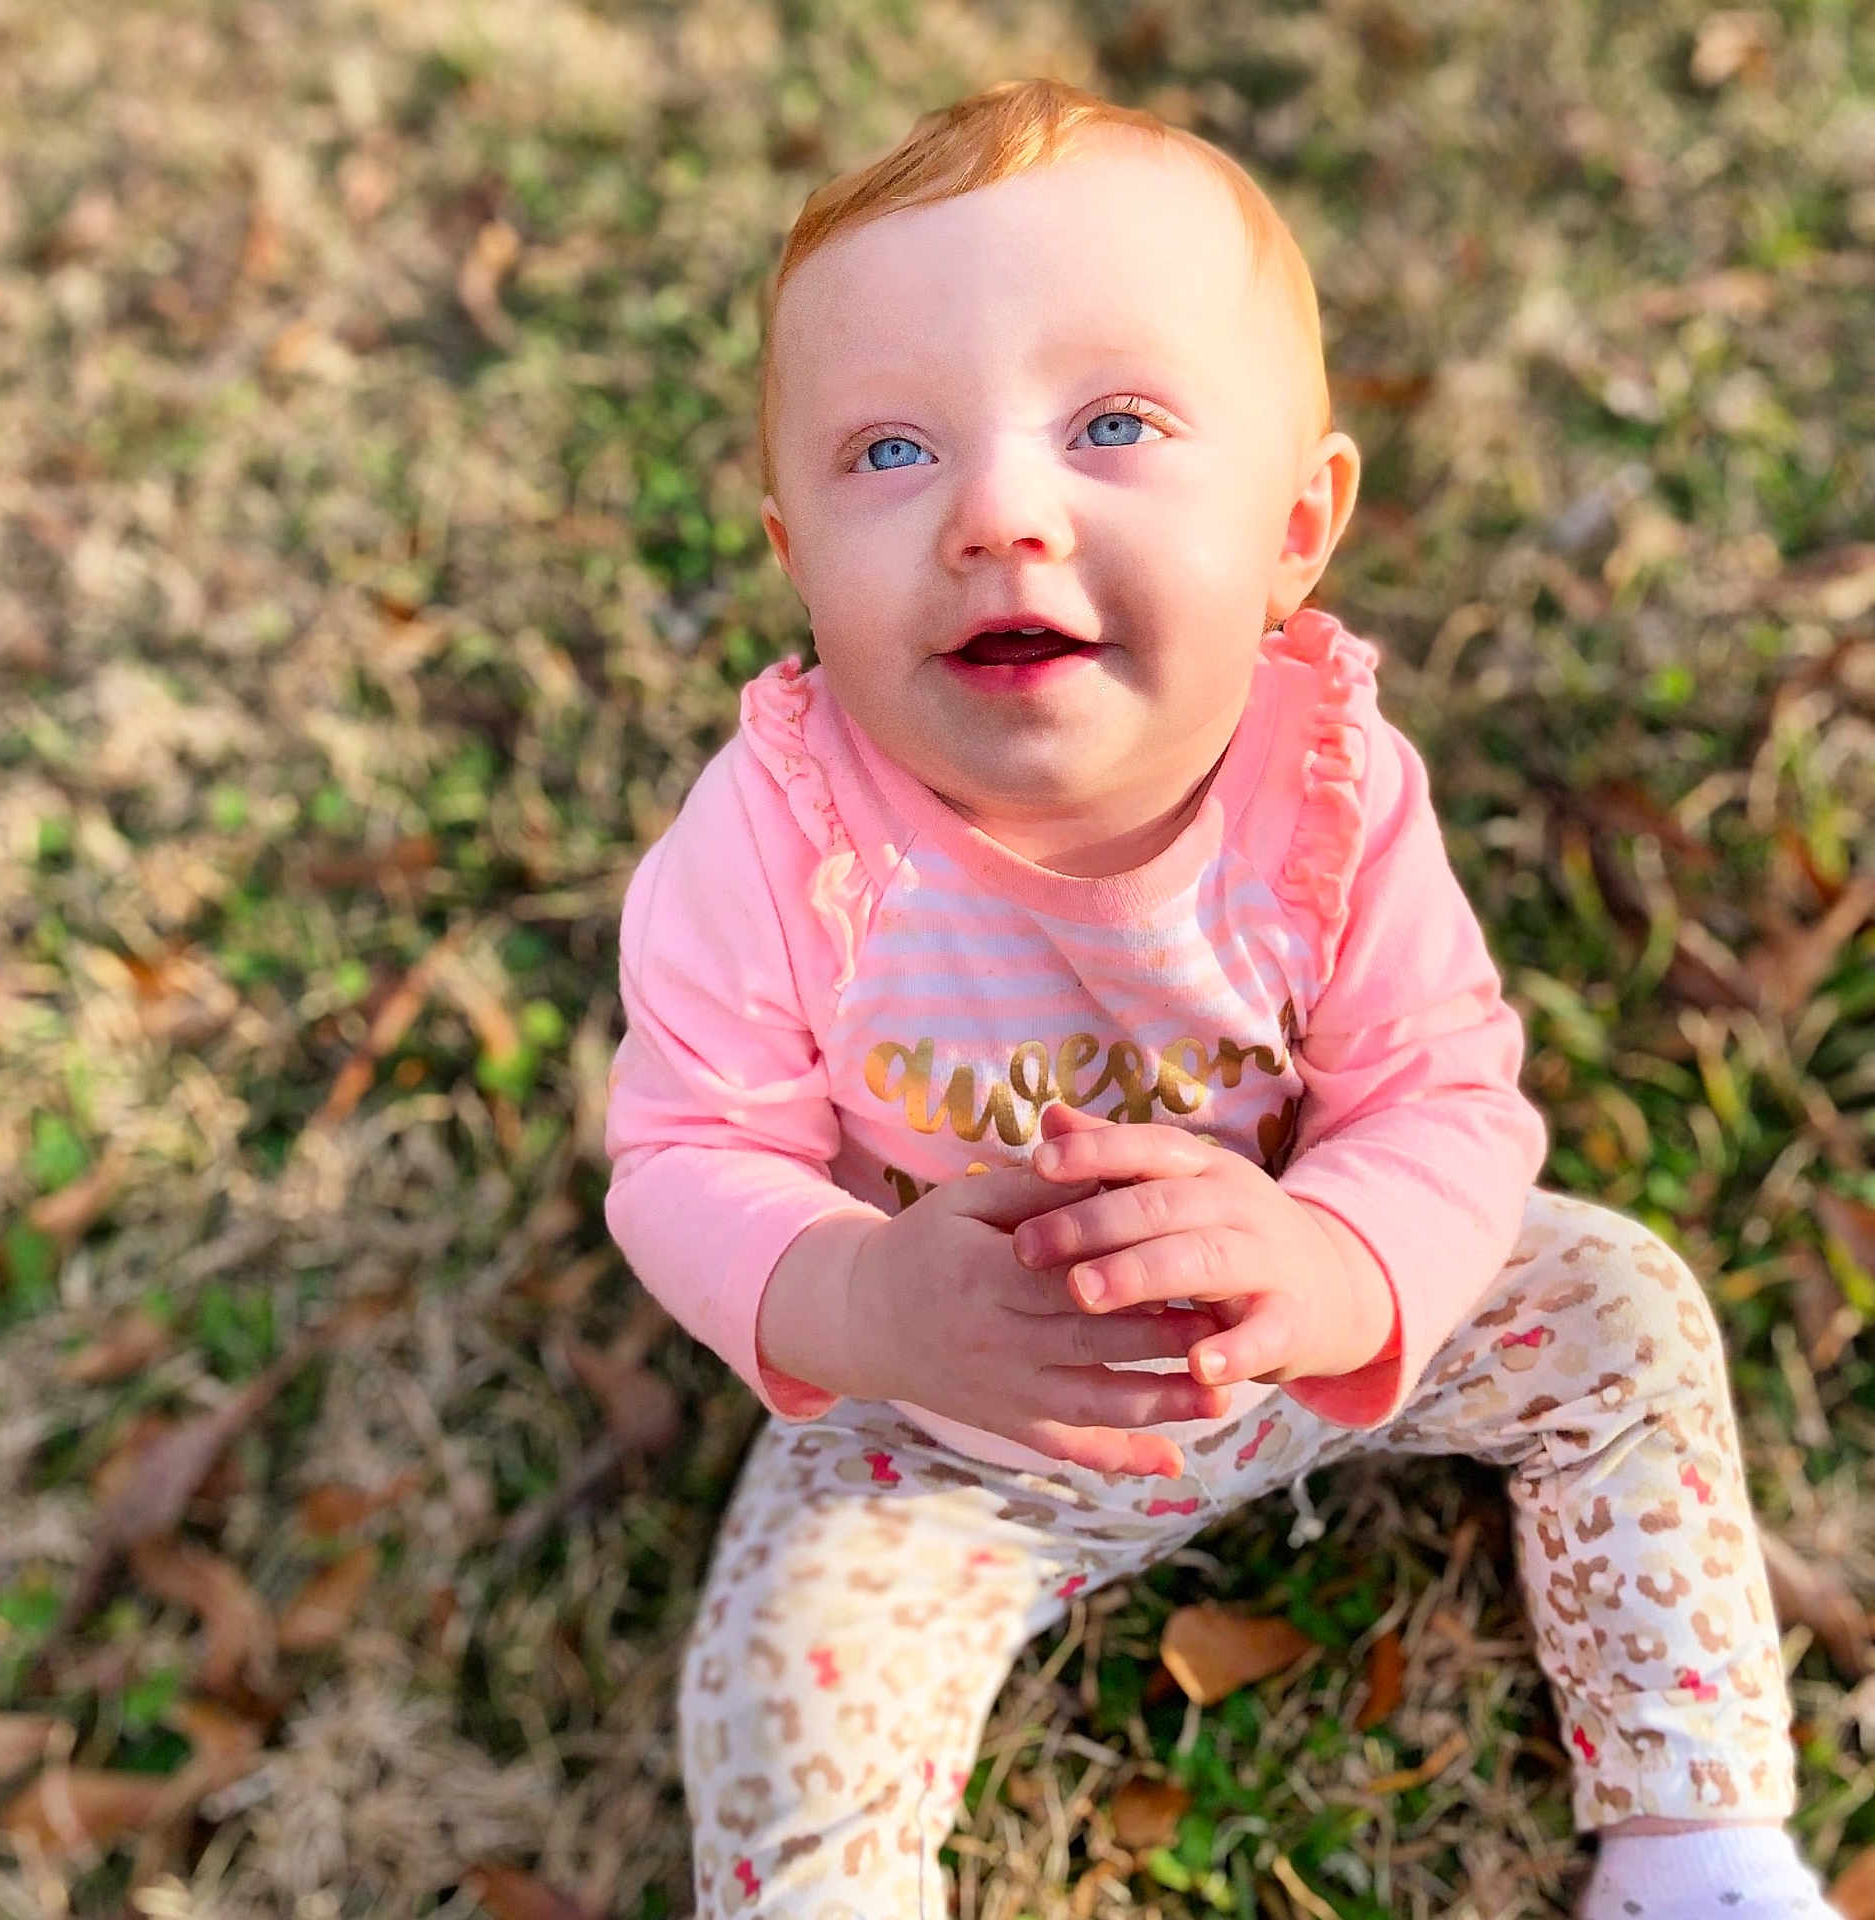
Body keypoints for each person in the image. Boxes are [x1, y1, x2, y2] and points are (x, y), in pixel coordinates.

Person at [604, 78, 1823, 1919]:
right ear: (791, 552)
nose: (999, 512)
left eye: (1111, 425)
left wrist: (1339, 1264)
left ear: (1296, 525)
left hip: (1305, 1336)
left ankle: (1697, 1840)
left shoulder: (1330, 787)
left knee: (1625, 1311)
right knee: (787, 1658)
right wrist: (860, 1294)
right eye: (886, 455)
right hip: (957, 1409)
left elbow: (1443, 1086)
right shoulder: (773, 835)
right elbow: (685, 1147)